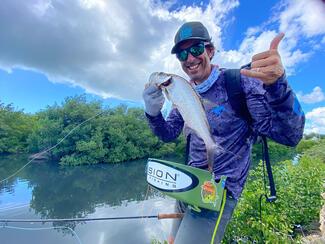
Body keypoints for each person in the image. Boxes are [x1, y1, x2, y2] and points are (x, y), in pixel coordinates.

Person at [142, 21, 305, 244]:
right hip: (187, 183)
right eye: (182, 53)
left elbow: (290, 135)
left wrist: (278, 86)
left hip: (217, 192)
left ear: (210, 50)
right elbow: (169, 134)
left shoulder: (240, 83)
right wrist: (153, 113)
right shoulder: (182, 91)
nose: (190, 58)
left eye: (196, 49)